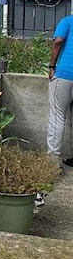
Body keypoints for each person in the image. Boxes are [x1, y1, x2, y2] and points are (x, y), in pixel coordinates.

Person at [47, 14, 73, 168]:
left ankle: (52, 163)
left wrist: (52, 66)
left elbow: (58, 41)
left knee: (57, 117)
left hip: (64, 75)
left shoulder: (67, 21)